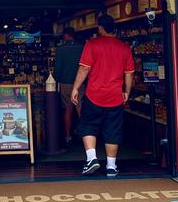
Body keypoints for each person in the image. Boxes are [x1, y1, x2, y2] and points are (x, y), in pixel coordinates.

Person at [71, 14, 134, 177]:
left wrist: (75, 88)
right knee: (113, 130)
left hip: (94, 94)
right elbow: (129, 73)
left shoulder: (92, 44)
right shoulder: (124, 47)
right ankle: (111, 166)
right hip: (115, 96)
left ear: (100, 28)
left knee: (87, 125)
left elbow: (84, 68)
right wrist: (127, 92)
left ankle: (91, 158)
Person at [53, 27, 84, 144]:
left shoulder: (61, 49)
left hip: (66, 83)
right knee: (80, 108)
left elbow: (58, 68)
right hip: (80, 83)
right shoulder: (82, 47)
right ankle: (85, 135)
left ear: (66, 35)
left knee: (68, 109)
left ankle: (67, 135)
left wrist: (56, 80)